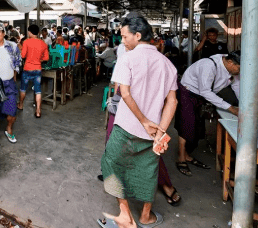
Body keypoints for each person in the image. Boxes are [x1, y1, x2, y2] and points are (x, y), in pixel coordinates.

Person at [99, 14, 178, 228]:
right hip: (153, 133)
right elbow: (172, 101)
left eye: (125, 37)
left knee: (111, 164)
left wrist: (143, 120)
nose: (123, 41)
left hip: (126, 126)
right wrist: (160, 130)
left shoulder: (128, 58)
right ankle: (145, 217)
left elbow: (124, 93)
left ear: (138, 35)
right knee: (148, 171)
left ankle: (125, 215)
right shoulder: (168, 64)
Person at [175, 51, 240, 177]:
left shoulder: (233, 69)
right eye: (239, 68)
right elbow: (205, 91)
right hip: (188, 93)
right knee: (186, 125)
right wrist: (231, 108)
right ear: (231, 62)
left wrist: (243, 107)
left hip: (201, 96)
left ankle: (187, 155)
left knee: (198, 129)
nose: (240, 71)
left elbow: (237, 87)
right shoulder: (209, 65)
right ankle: (181, 158)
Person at [0, 22, 21, 143]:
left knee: (12, 110)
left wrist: (14, 76)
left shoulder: (12, 46)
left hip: (9, 83)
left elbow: (18, 62)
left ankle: (9, 129)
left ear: (3, 33)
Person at [18, 24, 49, 118]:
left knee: (23, 88)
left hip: (27, 68)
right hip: (38, 69)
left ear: (30, 32)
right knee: (38, 90)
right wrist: (39, 60)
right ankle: (38, 110)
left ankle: (21, 105)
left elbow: (23, 56)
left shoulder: (26, 42)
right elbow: (46, 58)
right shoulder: (43, 43)